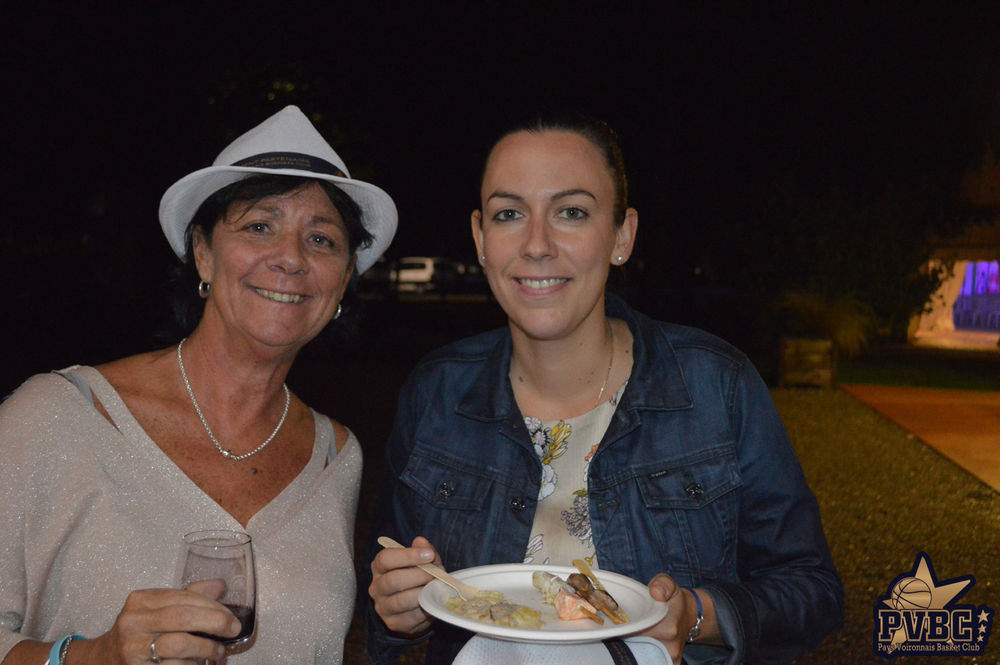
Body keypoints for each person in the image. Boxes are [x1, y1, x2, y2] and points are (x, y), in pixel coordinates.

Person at [365, 116, 843, 664]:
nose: (537, 245)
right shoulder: (436, 393)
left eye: (571, 212)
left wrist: (697, 615)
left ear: (622, 236)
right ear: (480, 239)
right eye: (509, 214)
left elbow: (813, 591)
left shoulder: (716, 384)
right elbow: (387, 598)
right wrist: (398, 607)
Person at [0, 105, 397, 665]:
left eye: (322, 239)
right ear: (203, 254)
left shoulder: (336, 457)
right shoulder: (57, 416)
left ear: (344, 280)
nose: (291, 258)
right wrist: (93, 657)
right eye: (259, 226)